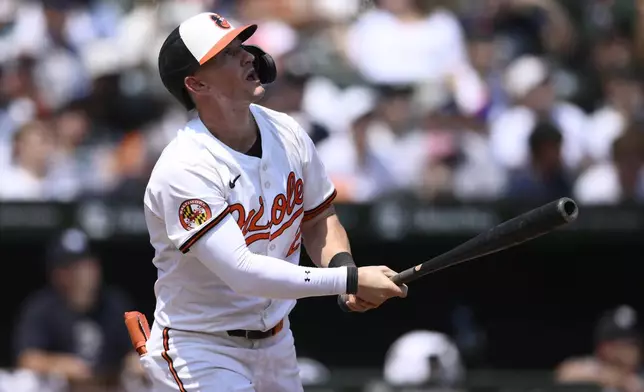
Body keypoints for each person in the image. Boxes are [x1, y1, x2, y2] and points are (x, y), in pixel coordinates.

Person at [141, 12, 408, 392]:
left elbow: (318, 219)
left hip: (277, 342)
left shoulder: (287, 132)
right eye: (227, 54)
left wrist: (344, 268)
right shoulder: (184, 166)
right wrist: (348, 279)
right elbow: (244, 272)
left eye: (241, 46)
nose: (248, 56)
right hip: (201, 347)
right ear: (196, 83)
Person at [12, 228, 144, 391]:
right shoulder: (41, 306)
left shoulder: (115, 303)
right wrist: (63, 365)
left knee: (151, 374)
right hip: (64, 386)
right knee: (25, 381)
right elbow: (27, 359)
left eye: (86, 264)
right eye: (72, 267)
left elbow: (137, 352)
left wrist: (135, 362)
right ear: (57, 273)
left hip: (108, 384)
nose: (82, 272)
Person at [556, 305, 644, 392]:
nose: (628, 350)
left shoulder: (640, 375)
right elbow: (564, 374)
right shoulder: (593, 367)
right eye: (620, 345)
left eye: (633, 344)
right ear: (602, 347)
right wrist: (613, 378)